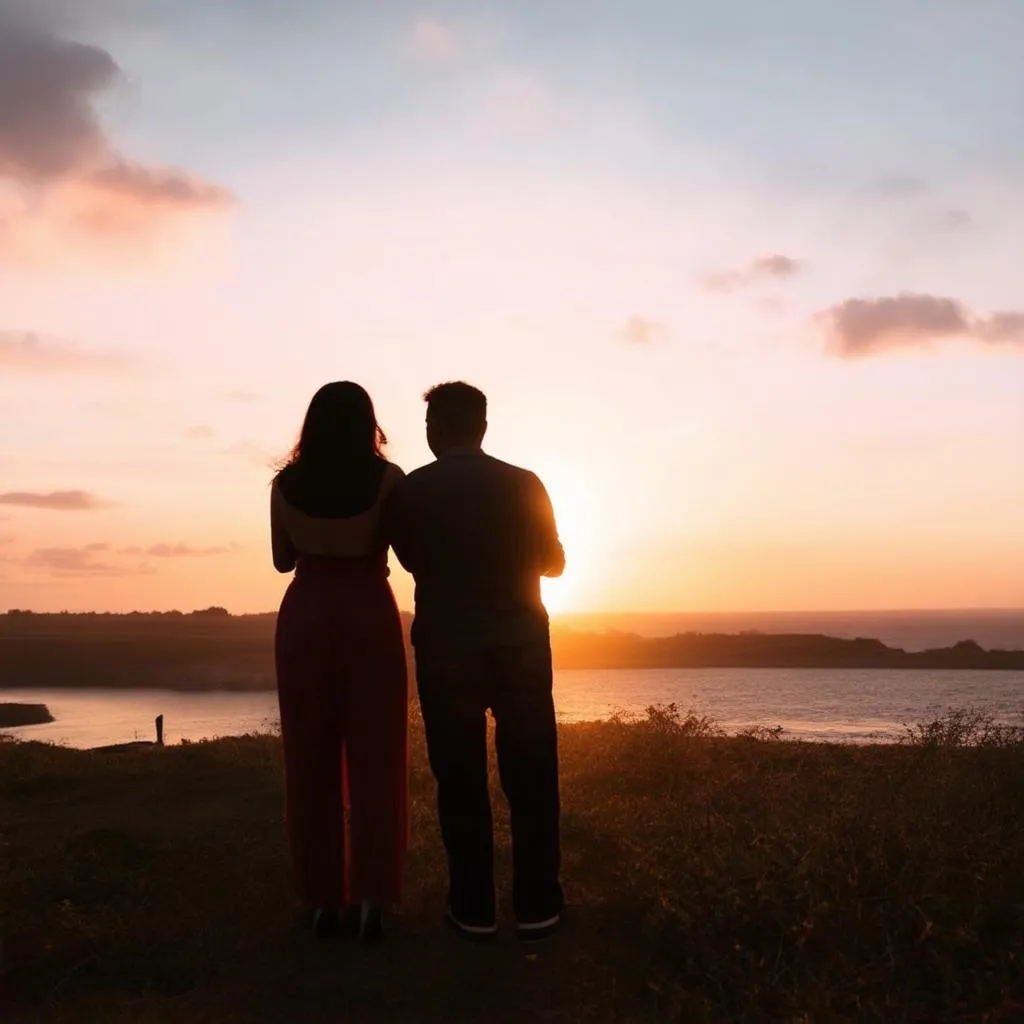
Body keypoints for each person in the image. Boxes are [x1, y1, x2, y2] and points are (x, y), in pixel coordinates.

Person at [386, 381, 566, 943]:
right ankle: (537, 906)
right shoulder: (525, 484)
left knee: (459, 778)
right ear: (483, 427)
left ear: (435, 430)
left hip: (447, 648)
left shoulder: (413, 492)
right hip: (520, 643)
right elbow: (555, 564)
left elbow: (410, 560)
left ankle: (473, 908)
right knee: (533, 776)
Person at [271, 381, 408, 942]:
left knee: (309, 758)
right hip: (368, 614)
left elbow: (283, 561)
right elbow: (405, 551)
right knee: (379, 756)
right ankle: (374, 897)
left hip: (304, 616)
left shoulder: (284, 485)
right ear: (366, 424)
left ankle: (322, 899)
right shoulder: (388, 480)